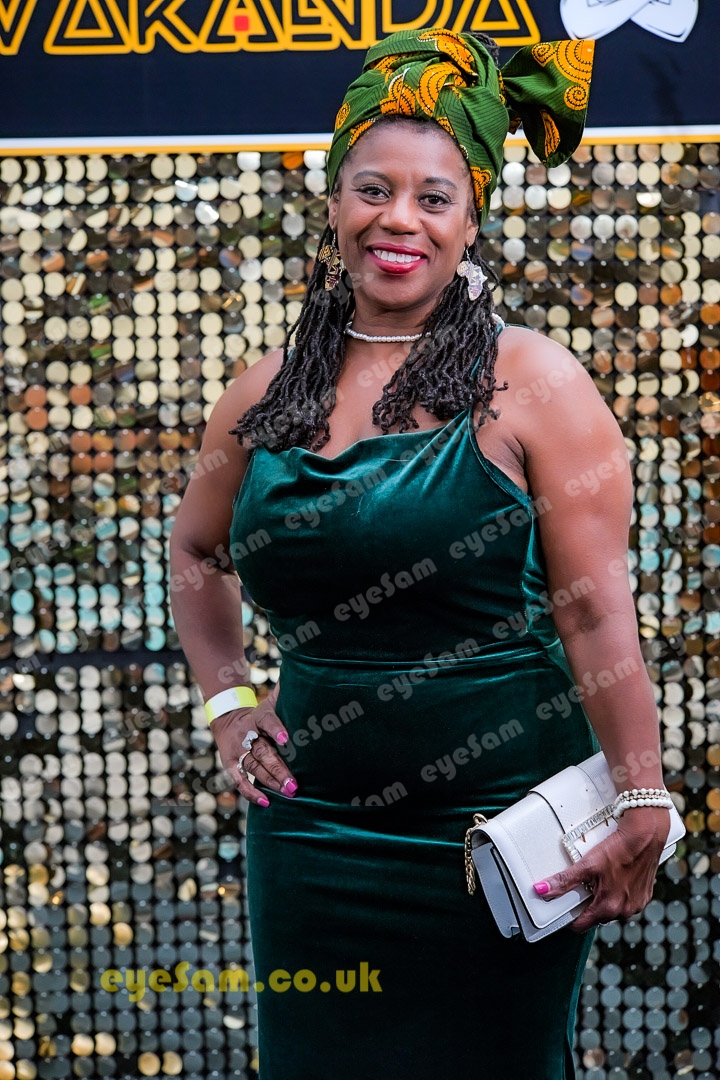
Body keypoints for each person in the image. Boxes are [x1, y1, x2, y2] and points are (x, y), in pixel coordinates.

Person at [169, 27, 673, 1079]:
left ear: (471, 218)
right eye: (374, 189)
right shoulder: (262, 393)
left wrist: (642, 798)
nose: (399, 218)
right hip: (309, 835)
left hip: (496, 834)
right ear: (335, 202)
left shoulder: (536, 382)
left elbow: (594, 610)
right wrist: (227, 703)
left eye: (433, 197)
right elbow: (195, 551)